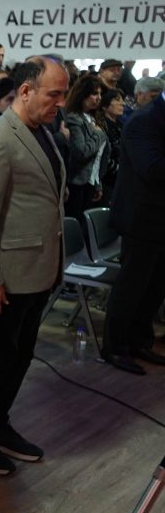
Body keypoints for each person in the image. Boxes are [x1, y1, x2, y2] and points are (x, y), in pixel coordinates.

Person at [0, 57, 67, 476]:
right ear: (25, 91)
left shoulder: (41, 131)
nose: (61, 102)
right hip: (8, 277)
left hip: (38, 268)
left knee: (19, 355)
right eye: (54, 94)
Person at [100, 88, 165, 375]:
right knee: (132, 285)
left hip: (160, 219)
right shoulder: (144, 120)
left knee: (156, 286)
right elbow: (152, 168)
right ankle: (115, 346)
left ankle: (140, 340)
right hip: (142, 218)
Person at [63, 74, 109, 221]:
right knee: (76, 224)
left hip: (92, 181)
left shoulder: (95, 118)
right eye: (94, 93)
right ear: (82, 95)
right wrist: (98, 135)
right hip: (77, 182)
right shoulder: (74, 118)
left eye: (100, 94)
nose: (98, 98)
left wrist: (98, 183)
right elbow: (81, 152)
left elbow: (99, 157)